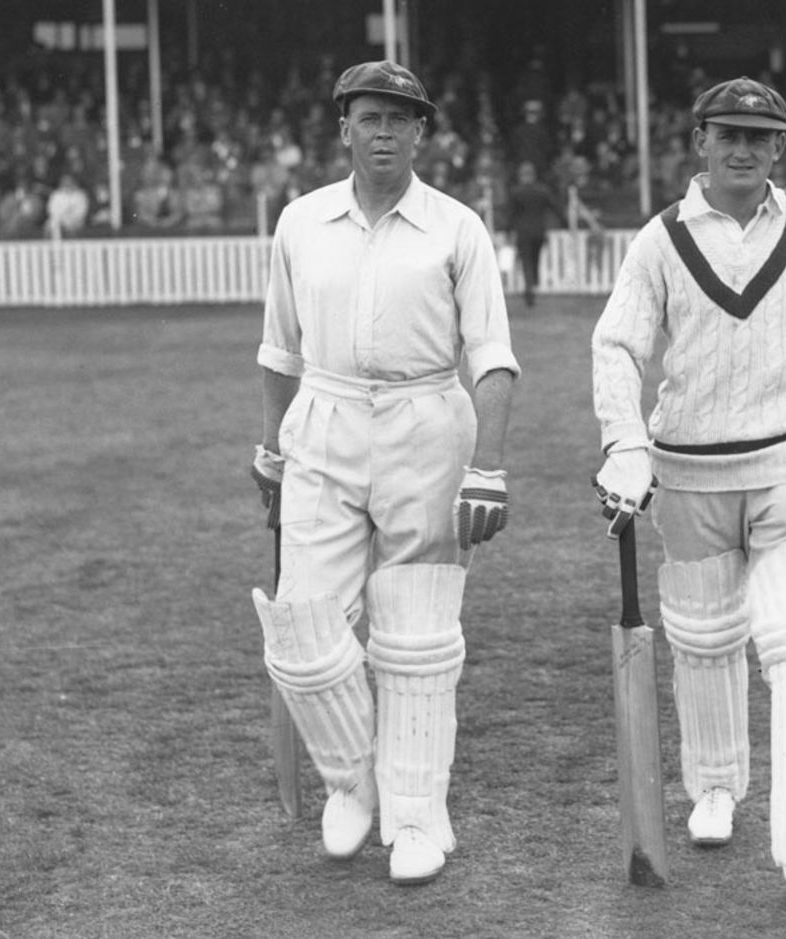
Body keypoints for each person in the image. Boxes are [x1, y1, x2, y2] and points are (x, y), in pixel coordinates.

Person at [590, 76, 786, 902]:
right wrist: (626, 445)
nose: (741, 148)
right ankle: (718, 785)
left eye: (758, 137)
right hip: (689, 464)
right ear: (697, 141)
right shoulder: (658, 241)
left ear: (779, 148)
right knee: (702, 634)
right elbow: (617, 345)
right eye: (725, 133)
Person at [248, 60, 520, 886]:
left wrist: (489, 468)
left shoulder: (456, 228)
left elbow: (494, 358)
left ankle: (414, 813)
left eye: (402, 121)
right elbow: (278, 351)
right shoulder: (300, 222)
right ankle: (351, 779)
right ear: (343, 128)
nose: (385, 134)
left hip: (427, 423)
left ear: (422, 134)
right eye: (371, 118)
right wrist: (269, 450)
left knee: (417, 634)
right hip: (323, 424)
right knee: (301, 623)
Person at [505, 160, 565, 307]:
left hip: (523, 232)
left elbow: (511, 214)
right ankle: (532, 284)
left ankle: (529, 288)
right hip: (539, 231)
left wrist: (508, 229)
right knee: (535, 260)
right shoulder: (542, 191)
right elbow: (555, 207)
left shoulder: (516, 192)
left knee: (526, 261)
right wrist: (564, 222)